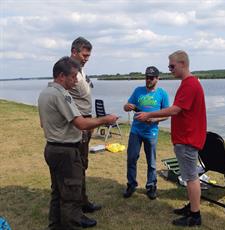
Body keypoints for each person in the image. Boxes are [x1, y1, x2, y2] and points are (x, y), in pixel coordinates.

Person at [38, 56, 118, 229]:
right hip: (66, 151)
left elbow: (42, 123)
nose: (76, 81)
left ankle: (55, 226)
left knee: (58, 193)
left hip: (52, 148)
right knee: (71, 196)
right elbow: (81, 123)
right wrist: (105, 119)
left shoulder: (45, 93)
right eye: (73, 77)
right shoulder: (61, 94)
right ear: (61, 76)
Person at [135, 51, 207, 227]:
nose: (170, 69)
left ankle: (195, 215)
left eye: (172, 66)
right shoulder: (189, 83)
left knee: (191, 177)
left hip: (188, 139)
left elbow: (175, 110)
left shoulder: (190, 84)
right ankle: (192, 207)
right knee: (189, 176)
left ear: (182, 63)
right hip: (186, 138)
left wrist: (149, 114)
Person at [123, 66, 169, 200]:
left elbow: (167, 114)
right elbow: (126, 106)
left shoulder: (162, 93)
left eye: (151, 78)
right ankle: (131, 185)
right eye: (146, 77)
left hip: (151, 132)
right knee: (131, 158)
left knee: (152, 162)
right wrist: (127, 107)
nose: (148, 80)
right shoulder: (138, 90)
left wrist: (154, 119)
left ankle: (151, 186)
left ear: (157, 78)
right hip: (136, 131)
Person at [68, 37, 100, 214]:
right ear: (74, 51)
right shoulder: (67, 71)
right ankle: (77, 207)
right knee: (77, 166)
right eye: (84, 55)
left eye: (89, 55)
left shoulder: (81, 70)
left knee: (83, 164)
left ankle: (82, 200)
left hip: (86, 123)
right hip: (78, 124)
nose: (86, 58)